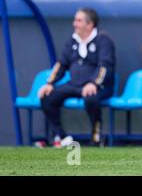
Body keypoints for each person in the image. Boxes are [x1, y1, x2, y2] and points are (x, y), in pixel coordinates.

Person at [39, 8, 116, 147]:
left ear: (90, 24)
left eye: (79, 20)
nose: (74, 24)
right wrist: (49, 83)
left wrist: (94, 83)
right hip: (74, 84)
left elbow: (105, 66)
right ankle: (62, 137)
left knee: (91, 98)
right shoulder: (72, 41)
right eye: (75, 20)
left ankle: (96, 137)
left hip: (99, 86)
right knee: (47, 97)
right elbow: (61, 64)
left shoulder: (103, 40)